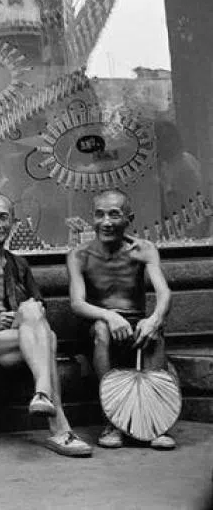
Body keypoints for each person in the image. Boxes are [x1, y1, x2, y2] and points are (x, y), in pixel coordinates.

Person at [0, 194, 92, 457]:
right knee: (50, 339)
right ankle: (58, 425)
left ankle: (45, 400)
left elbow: (38, 307)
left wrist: (23, 315)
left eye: (3, 217)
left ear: (12, 223)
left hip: (18, 339)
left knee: (33, 310)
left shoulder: (18, 264)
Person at [67, 189, 175, 450]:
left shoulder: (143, 250)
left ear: (129, 218)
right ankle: (112, 421)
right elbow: (77, 304)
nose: (106, 222)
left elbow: (164, 292)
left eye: (114, 215)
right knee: (103, 329)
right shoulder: (79, 255)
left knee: (152, 330)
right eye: (99, 214)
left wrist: (154, 319)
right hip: (96, 326)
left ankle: (153, 425)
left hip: (135, 323)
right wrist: (108, 315)